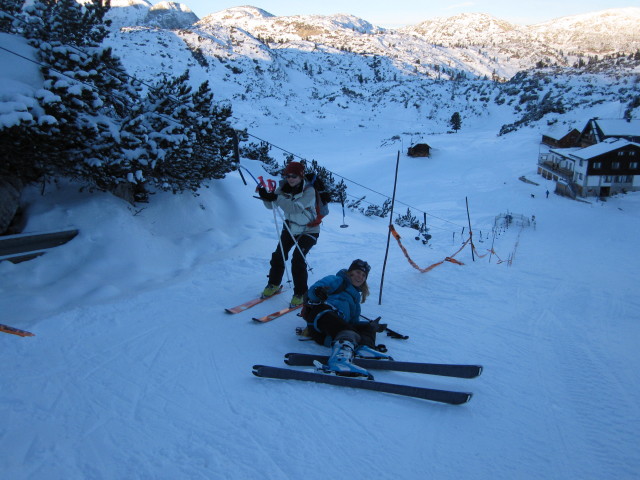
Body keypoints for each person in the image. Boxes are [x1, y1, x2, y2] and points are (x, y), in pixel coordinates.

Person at [303, 259, 390, 377]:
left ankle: (362, 351)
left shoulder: (355, 302)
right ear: (350, 272)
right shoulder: (337, 280)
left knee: (367, 327)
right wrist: (318, 292)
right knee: (330, 313)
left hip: (335, 334)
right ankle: (338, 362)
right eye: (358, 272)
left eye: (364, 275)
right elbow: (313, 290)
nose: (361, 277)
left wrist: (373, 327)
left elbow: (352, 324)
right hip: (320, 319)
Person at [257, 161, 320, 307]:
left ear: (301, 176)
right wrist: (265, 197)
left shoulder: (309, 190)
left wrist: (276, 197)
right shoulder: (283, 187)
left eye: (294, 176)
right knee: (279, 254)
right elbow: (271, 206)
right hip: (290, 227)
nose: (290, 179)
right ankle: (273, 284)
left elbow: (295, 208)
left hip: (309, 230)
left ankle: (301, 293)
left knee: (297, 259)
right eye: (287, 175)